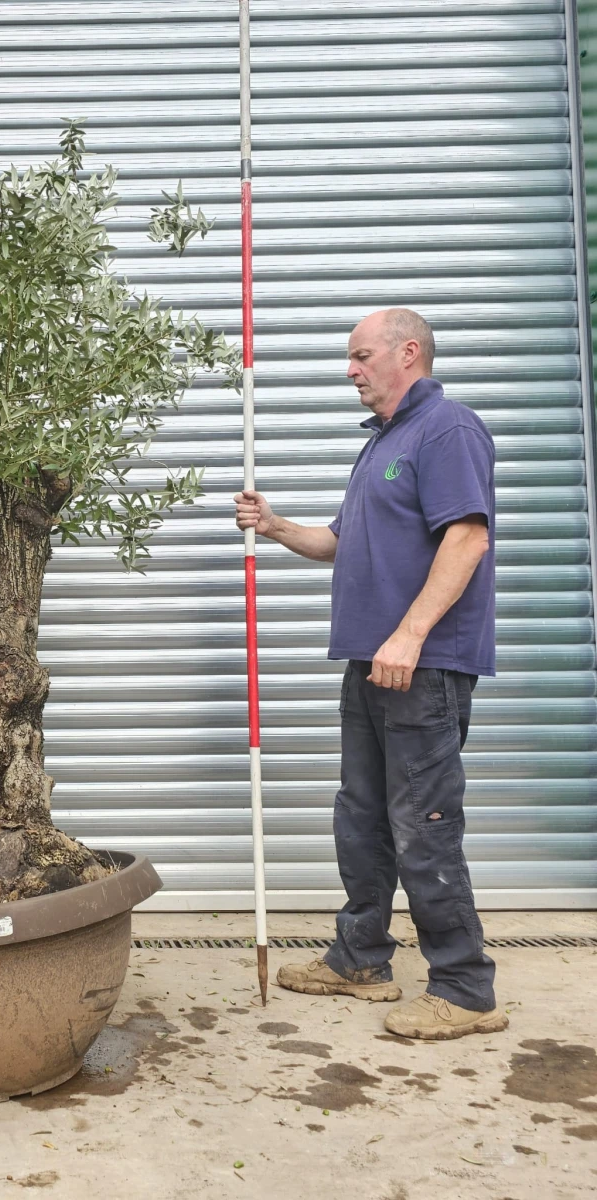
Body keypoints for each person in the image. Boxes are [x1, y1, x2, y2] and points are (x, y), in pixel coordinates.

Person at [234, 307, 508, 1040]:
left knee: (424, 825)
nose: (349, 370)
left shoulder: (447, 429)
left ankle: (465, 989)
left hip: (422, 666)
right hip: (372, 664)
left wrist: (411, 634)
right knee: (361, 818)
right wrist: (277, 526)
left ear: (407, 353)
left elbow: (468, 536)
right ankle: (361, 959)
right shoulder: (383, 445)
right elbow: (338, 541)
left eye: (360, 356)